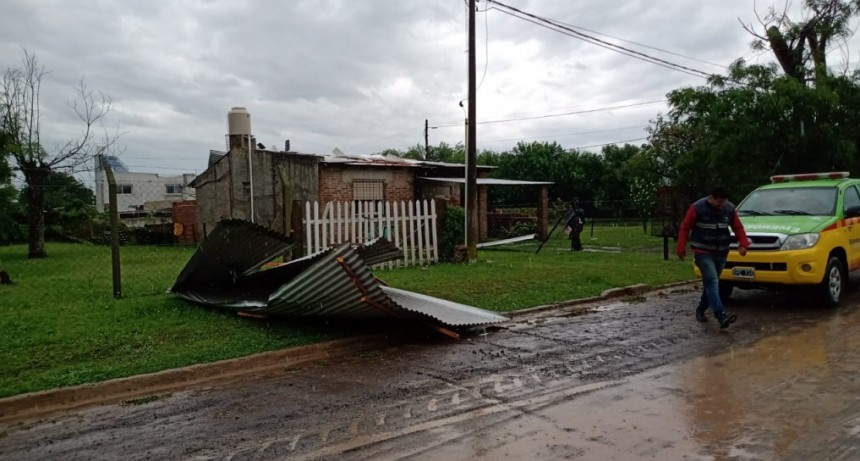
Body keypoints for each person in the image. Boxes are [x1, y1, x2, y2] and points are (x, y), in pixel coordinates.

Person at [677, 187, 750, 329]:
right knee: (713, 281)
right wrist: (681, 247)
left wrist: (743, 244)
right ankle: (721, 315)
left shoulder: (729, 209)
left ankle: (701, 309)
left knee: (710, 284)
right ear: (711, 198)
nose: (721, 205)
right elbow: (685, 227)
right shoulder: (697, 208)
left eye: (723, 201)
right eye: (718, 202)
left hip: (721, 252)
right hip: (702, 251)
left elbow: (738, 227)